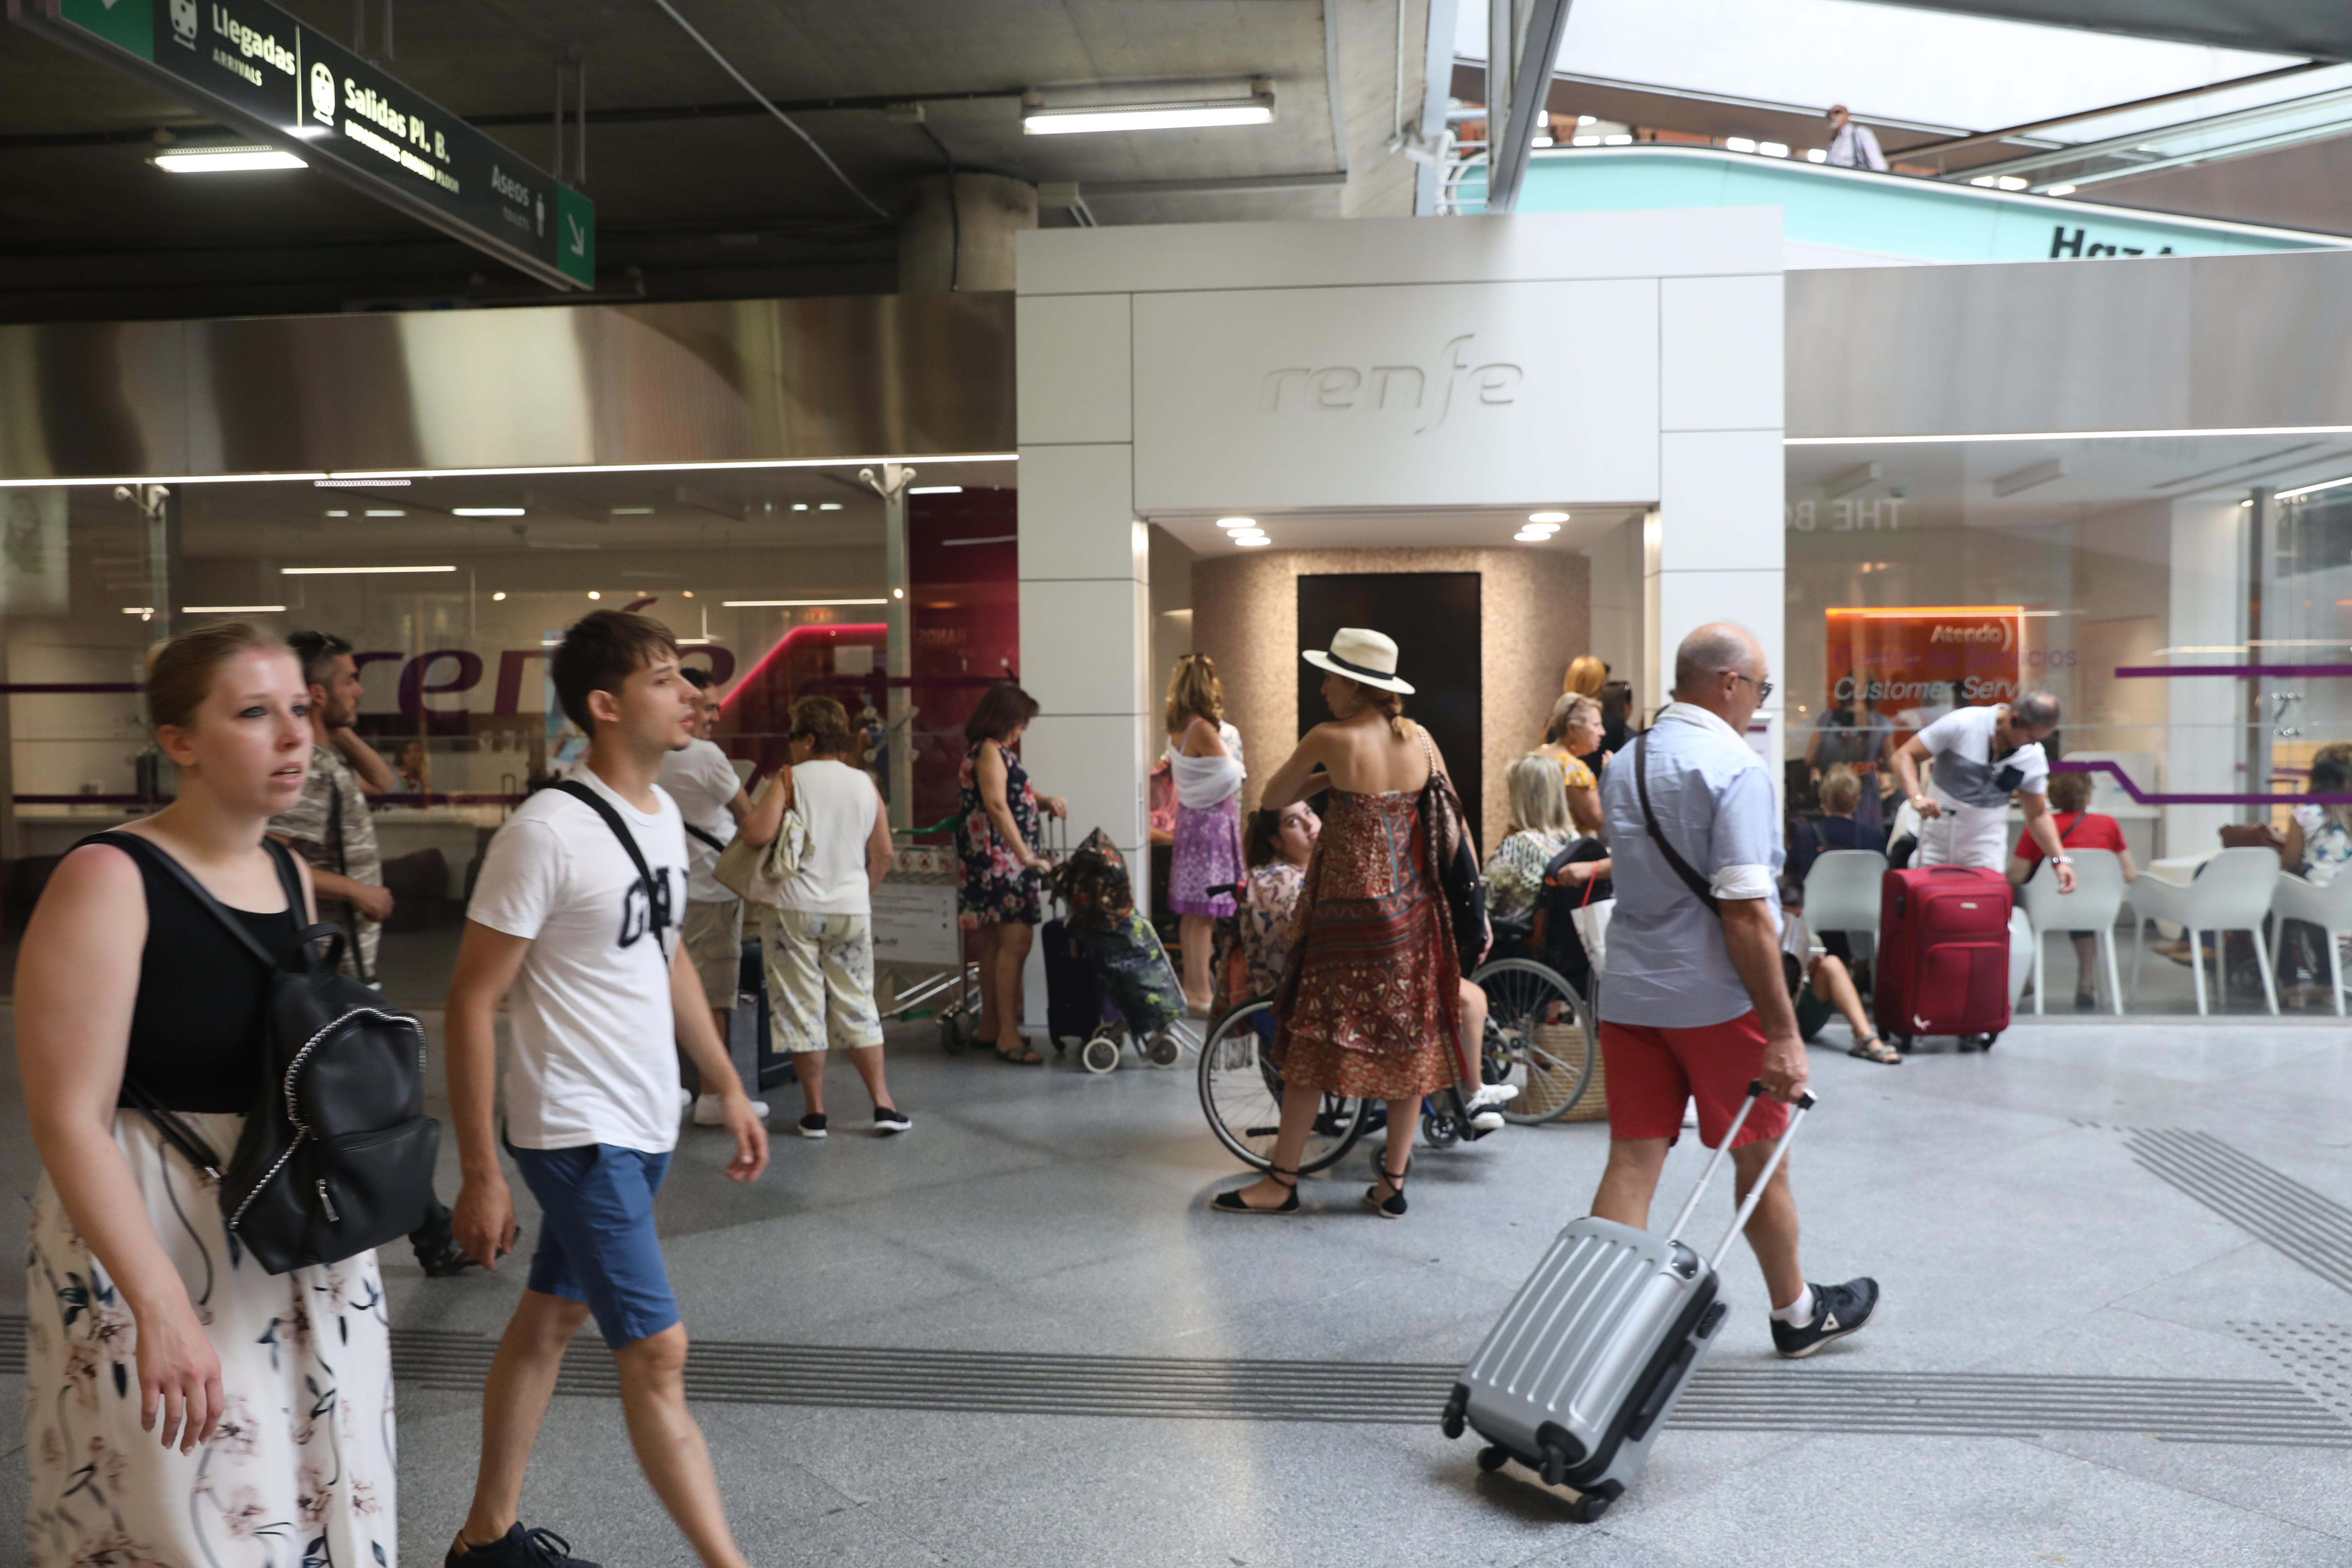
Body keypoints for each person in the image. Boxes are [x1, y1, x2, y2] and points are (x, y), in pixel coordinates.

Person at [20, 622, 399, 1568]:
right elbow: (69, 1113)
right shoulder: (110, 878)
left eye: (301, 711)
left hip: (287, 1215)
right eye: (254, 713)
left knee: (317, 1487)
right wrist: (158, 1305)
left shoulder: (284, 872)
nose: (294, 736)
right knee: (187, 1511)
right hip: (157, 1221)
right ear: (178, 740)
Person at [444, 610, 769, 1568]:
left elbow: (663, 958)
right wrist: (479, 1173)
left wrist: (728, 1085)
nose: (692, 695)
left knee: (554, 1317)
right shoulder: (545, 833)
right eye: (667, 679)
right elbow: (471, 1001)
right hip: (574, 1127)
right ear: (605, 704)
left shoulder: (663, 817)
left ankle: (484, 1539)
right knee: (658, 1352)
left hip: (644, 1117)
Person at [1591, 622, 1880, 1357]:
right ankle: (1797, 1311)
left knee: (1632, 1158)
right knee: (1760, 1160)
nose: (1761, 701)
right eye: (1762, 687)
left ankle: (1591, 1326)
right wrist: (1785, 1032)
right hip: (1715, 1000)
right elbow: (1748, 913)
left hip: (1630, 990)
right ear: (1728, 683)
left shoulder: (1626, 760)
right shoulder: (1735, 766)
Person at [1213, 627, 1468, 1218]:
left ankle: (1281, 1181)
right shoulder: (1423, 740)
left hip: (1345, 920)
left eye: (1330, 676)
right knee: (1409, 1049)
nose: (1324, 687)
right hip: (1413, 916)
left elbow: (1274, 798)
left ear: (1354, 684)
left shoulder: (1329, 737)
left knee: (1310, 1044)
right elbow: (1453, 822)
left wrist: (1329, 775)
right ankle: (1393, 1184)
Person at [270, 629, 473, 1277]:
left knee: (364, 1105)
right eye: (351, 681)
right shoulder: (303, 766)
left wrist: (335, 722)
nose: (363, 689)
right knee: (377, 1106)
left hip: (351, 962)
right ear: (322, 691)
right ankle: (433, 1234)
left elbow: (385, 777)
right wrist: (355, 890)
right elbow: (277, 855)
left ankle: (429, 1231)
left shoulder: (326, 757)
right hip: (327, 967)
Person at [739, 695, 906, 1138]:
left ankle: (815, 1113)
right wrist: (858, 892)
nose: (791, 745)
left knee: (800, 1008)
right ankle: (883, 1105)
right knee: (858, 1003)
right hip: (850, 910)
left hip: (794, 910)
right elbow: (884, 852)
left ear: (809, 738)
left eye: (793, 736)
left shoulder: (790, 779)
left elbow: (756, 832)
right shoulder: (865, 783)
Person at [658, 666, 766, 1127]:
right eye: (710, 707)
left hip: (671, 889)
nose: (717, 717)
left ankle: (671, 1086)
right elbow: (752, 821)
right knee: (717, 994)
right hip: (713, 889)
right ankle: (716, 1097)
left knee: (668, 990)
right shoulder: (705, 756)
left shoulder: (650, 752)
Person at [956, 681, 1067, 1065]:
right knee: (1016, 944)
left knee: (995, 945)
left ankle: (991, 1026)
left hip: (991, 861)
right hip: (1003, 862)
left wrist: (1043, 801)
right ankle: (1006, 1035)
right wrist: (1026, 857)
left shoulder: (988, 750)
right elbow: (998, 806)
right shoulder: (990, 750)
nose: (1023, 729)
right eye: (1021, 722)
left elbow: (1008, 795)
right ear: (1005, 718)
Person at [1890, 693, 2076, 895]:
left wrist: (2060, 861)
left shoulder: (2033, 756)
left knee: (1983, 913)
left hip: (1986, 852)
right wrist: (1916, 797)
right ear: (2014, 720)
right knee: (1929, 911)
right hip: (1937, 844)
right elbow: (1904, 756)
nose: (2033, 745)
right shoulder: (1963, 723)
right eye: (2031, 737)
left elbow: (2038, 815)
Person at [2005, 767, 2137, 1011]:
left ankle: (2023, 978)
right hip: (2096, 910)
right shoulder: (2108, 825)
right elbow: (2130, 874)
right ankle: (2086, 979)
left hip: (2046, 907)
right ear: (2088, 795)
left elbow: (2017, 874)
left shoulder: (2039, 826)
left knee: (2011, 899)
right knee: (2081, 903)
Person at [1163, 653, 1246, 1012]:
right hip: (1211, 826)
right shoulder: (1203, 729)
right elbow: (1232, 775)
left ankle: (1194, 987)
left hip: (1190, 823)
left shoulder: (1179, 728)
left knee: (1194, 913)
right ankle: (1200, 993)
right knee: (1204, 913)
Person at [1238, 800, 1319, 999]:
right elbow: (1307, 943)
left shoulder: (1313, 870)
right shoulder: (1279, 880)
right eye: (1293, 822)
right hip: (1286, 1000)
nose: (1309, 824)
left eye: (1309, 813)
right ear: (1276, 841)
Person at [1487, 753, 1577, 921]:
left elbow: (1481, 903)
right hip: (1559, 942)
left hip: (1512, 941)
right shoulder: (1576, 842)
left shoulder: (1520, 846)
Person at [1535, 693, 1606, 836]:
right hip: (1569, 852)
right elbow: (1597, 821)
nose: (1602, 732)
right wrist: (1609, 776)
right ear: (1573, 729)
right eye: (1596, 725)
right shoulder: (1573, 769)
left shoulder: (1539, 753)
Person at [1824, 104, 1888, 171]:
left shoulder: (1859, 133)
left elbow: (1877, 164)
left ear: (1848, 116)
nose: (1832, 116)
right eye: (1829, 114)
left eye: (1837, 112)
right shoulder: (1834, 141)